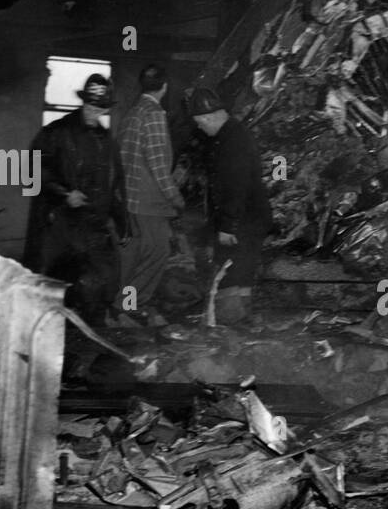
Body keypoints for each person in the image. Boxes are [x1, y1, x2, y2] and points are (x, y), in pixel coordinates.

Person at [22, 73, 126, 326]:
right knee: (57, 284)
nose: (94, 112)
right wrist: (64, 194)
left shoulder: (105, 140)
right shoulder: (56, 132)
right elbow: (32, 171)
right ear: (83, 103)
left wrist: (121, 221)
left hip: (92, 223)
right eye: (90, 106)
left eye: (100, 108)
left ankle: (91, 333)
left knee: (99, 280)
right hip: (59, 223)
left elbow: (114, 183)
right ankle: (53, 330)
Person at [186, 87, 272, 326]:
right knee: (243, 269)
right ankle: (243, 319)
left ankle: (228, 324)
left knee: (229, 271)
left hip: (241, 219)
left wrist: (227, 225)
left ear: (208, 117)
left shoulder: (231, 141)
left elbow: (236, 185)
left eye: (199, 124)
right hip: (250, 218)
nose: (200, 129)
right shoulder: (233, 134)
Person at [117, 63, 184, 323]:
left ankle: (120, 308)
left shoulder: (133, 112)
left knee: (134, 256)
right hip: (149, 201)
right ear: (164, 87)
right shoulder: (154, 113)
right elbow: (158, 164)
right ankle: (131, 307)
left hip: (130, 199)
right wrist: (175, 197)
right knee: (157, 254)